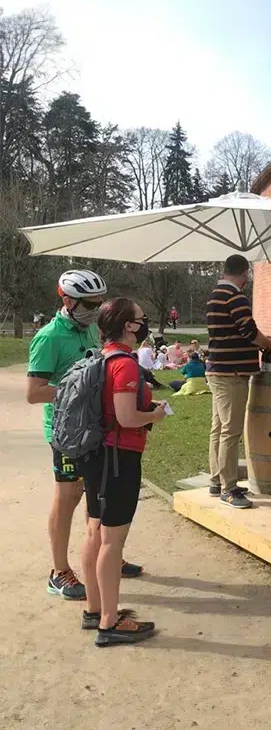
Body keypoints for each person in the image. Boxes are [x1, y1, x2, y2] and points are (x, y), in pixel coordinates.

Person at [26, 270, 143, 601]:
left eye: (98, 304)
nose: (95, 310)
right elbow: (34, 392)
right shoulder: (49, 338)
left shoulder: (93, 329)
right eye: (89, 304)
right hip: (67, 431)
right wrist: (79, 391)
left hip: (97, 428)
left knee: (100, 493)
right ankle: (59, 571)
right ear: (68, 301)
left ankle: (107, 553)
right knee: (68, 497)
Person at [80, 298, 166, 646]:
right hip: (119, 458)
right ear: (128, 326)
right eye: (141, 319)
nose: (145, 323)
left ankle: (94, 609)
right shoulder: (126, 365)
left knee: (94, 532)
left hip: (95, 455)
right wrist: (155, 415)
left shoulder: (99, 357)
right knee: (112, 541)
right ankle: (110, 622)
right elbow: (127, 418)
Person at [206, 254, 271, 507]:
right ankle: (229, 489)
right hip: (232, 373)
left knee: (219, 428)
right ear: (245, 273)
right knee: (231, 431)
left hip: (217, 370)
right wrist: (269, 344)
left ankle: (217, 480)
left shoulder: (215, 295)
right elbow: (249, 331)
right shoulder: (236, 297)